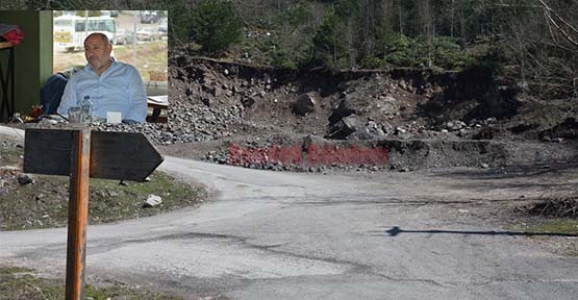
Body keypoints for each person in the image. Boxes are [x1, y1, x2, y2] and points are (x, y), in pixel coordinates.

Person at [57, 32, 148, 123]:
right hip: (84, 131)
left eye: (96, 48)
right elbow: (64, 111)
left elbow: (139, 106)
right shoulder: (76, 79)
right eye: (87, 49)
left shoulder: (128, 73)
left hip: (120, 130)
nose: (91, 54)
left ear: (109, 48)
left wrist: (125, 129)